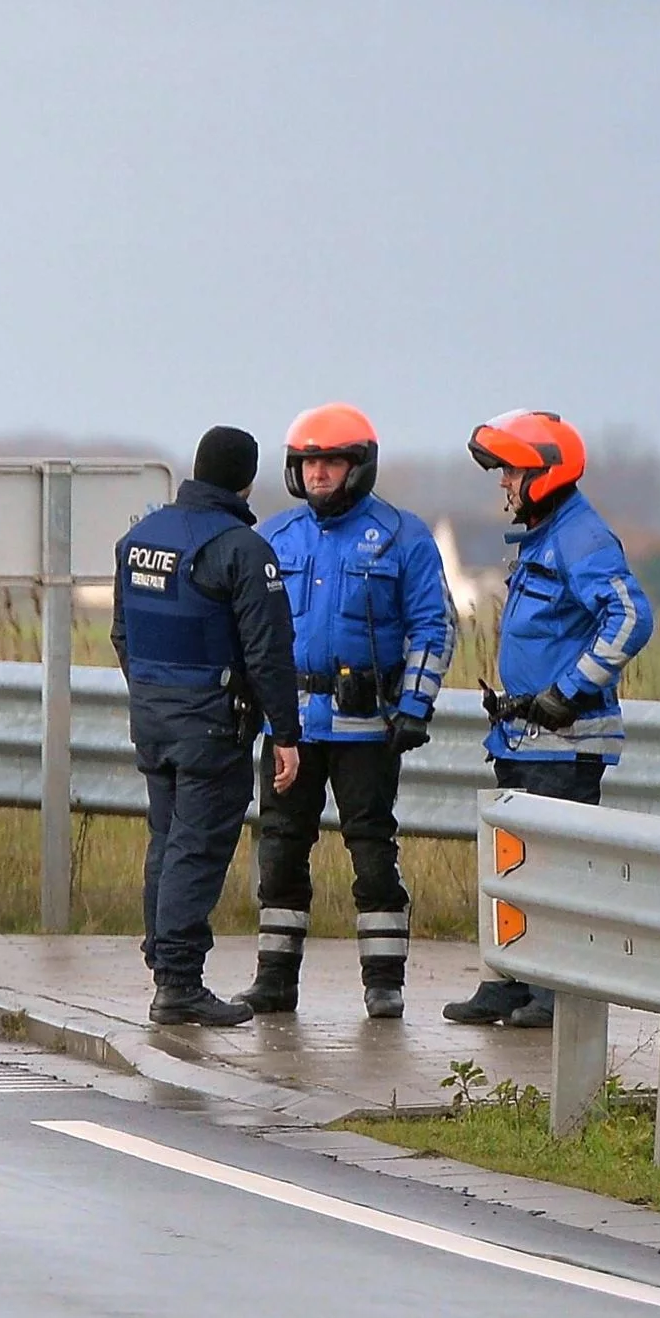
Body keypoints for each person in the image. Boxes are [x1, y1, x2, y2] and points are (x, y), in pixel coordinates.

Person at [237, 405, 452, 1021]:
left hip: (367, 727)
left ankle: (384, 982)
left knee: (372, 850)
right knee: (278, 848)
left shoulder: (402, 536)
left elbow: (433, 628)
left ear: (359, 466)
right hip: (291, 730)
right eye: (308, 462)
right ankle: (274, 979)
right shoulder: (274, 538)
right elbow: (249, 632)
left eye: (331, 461)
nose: (319, 473)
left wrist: (414, 704)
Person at [445, 410, 651, 1030]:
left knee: (555, 871)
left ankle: (555, 993)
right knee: (514, 866)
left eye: (510, 470)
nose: (503, 482)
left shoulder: (581, 537)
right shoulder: (543, 534)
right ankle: (509, 982)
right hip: (521, 738)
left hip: (564, 741)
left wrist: (570, 690)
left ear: (542, 473)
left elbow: (632, 618)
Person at [113, 425, 303, 1027]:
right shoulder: (242, 550)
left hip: (153, 718)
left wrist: (154, 694)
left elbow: (123, 635)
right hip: (211, 726)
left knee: (165, 842)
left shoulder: (139, 540)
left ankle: (166, 967)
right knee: (195, 849)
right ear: (246, 479)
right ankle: (178, 982)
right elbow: (268, 651)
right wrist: (286, 732)